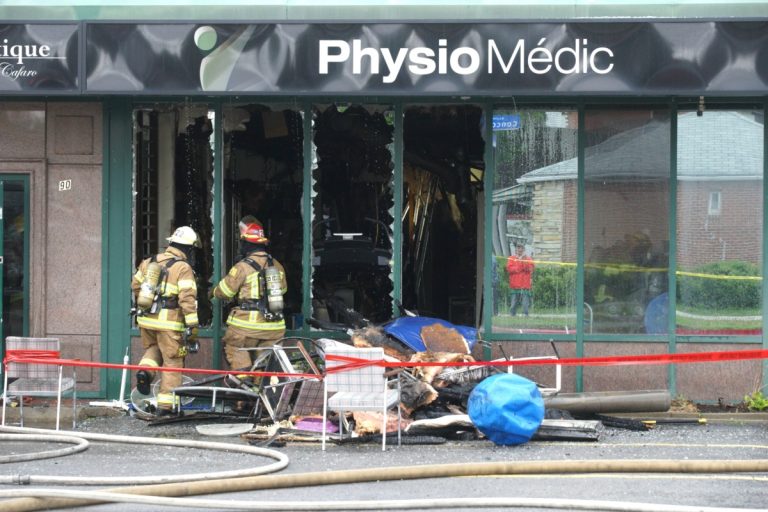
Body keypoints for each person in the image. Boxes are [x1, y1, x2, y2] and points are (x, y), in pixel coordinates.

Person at [211, 217, 287, 389]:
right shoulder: (277, 266)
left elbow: (225, 292)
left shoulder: (242, 267)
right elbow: (281, 291)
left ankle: (243, 397)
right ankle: (261, 401)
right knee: (265, 365)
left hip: (246, 326)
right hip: (274, 326)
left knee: (236, 349)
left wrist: (213, 291)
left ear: (246, 244)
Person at [131, 226, 200, 416]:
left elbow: (135, 286)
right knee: (172, 362)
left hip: (147, 320)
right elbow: (187, 299)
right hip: (169, 324)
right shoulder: (182, 267)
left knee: (153, 350)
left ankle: (145, 372)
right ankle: (165, 407)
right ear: (188, 248)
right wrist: (192, 326)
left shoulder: (149, 261)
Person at [506, 243, 534, 316]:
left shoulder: (528, 259)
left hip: (525, 284)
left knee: (525, 302)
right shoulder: (511, 258)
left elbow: (529, 269)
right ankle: (512, 314)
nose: (519, 250)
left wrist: (523, 261)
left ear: (524, 250)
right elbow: (509, 269)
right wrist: (519, 267)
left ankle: (525, 314)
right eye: (518, 248)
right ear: (516, 250)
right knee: (514, 302)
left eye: (521, 248)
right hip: (515, 284)